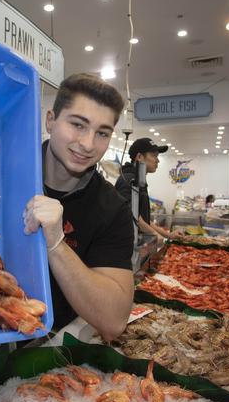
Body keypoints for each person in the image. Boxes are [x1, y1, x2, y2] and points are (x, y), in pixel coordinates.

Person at [22, 73, 134, 341]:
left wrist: (56, 243)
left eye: (102, 133)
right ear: (50, 121)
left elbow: (114, 320)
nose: (87, 144)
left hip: (52, 349)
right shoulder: (5, 175)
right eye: (78, 125)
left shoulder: (112, 209)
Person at [114, 137, 176, 240]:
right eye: (153, 155)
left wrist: (168, 235)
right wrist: (155, 235)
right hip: (126, 245)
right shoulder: (128, 179)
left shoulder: (140, 180)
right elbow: (129, 215)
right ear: (139, 157)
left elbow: (143, 219)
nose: (158, 160)